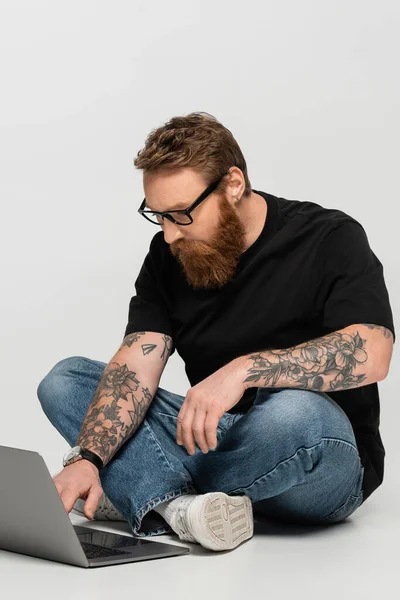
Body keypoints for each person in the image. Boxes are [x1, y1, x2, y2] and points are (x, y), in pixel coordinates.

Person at [37, 111, 395, 552]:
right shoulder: (168, 255)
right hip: (208, 438)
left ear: (233, 184)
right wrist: (89, 458)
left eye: (181, 214)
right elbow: (136, 365)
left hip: (318, 458)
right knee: (65, 380)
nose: (169, 235)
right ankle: (182, 509)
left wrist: (245, 370)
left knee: (297, 413)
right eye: (158, 216)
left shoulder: (329, 237)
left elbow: (374, 353)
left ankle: (143, 490)